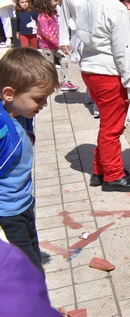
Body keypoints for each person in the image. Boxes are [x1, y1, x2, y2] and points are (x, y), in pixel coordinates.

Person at [76, 0, 130, 192]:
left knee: (107, 124)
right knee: (112, 128)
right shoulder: (116, 8)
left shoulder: (89, 1)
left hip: (90, 68)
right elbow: (124, 51)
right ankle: (113, 176)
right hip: (108, 73)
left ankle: (101, 169)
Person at [0, 48, 59, 272]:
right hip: (8, 211)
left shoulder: (21, 115)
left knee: (33, 250)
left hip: (24, 202)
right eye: (38, 99)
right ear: (9, 93)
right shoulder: (3, 130)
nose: (43, 104)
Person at [60, 0, 97, 92]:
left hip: (95, 34)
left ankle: (92, 93)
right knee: (84, 66)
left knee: (95, 65)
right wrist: (64, 41)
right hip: (78, 36)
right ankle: (90, 92)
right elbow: (64, 18)